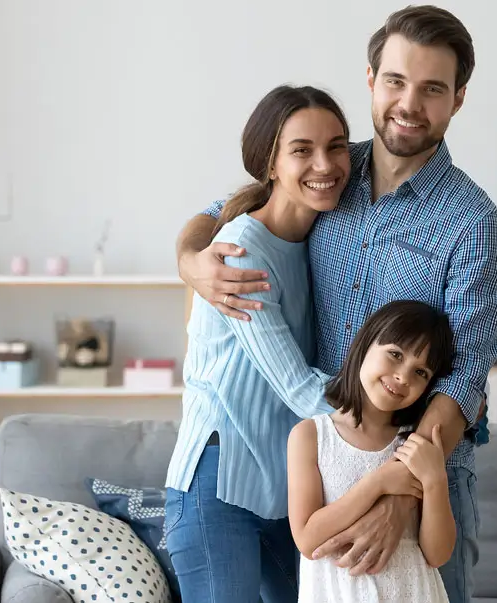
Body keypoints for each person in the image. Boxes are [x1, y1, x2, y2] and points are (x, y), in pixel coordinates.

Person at [176, 4, 497, 603]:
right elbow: (219, 213)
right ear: (370, 81)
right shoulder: (329, 167)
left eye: (432, 88)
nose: (409, 103)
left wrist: (399, 493)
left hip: (425, 477)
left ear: (457, 99)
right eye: (396, 81)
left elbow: (463, 383)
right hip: (326, 467)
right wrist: (191, 260)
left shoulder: (474, 225)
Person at [164, 83, 355, 603]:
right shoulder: (242, 252)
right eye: (301, 150)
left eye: (337, 146)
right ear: (269, 164)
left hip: (285, 489)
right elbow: (298, 388)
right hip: (218, 483)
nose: (325, 163)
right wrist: (403, 426)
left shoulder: (326, 228)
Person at [288, 300, 457, 602]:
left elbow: (437, 554)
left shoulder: (415, 444)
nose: (403, 377)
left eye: (421, 372)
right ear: (365, 344)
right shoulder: (311, 436)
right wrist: (378, 482)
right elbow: (307, 539)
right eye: (395, 354)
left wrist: (435, 482)